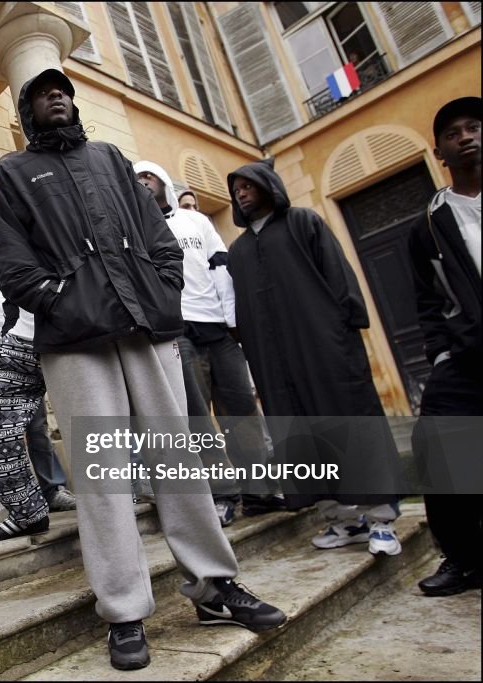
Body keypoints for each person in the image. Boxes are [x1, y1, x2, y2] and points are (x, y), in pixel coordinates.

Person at [0, 68, 286, 672]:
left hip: (147, 326)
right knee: (103, 475)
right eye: (45, 93)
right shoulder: (12, 173)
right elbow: (12, 263)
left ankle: (213, 585)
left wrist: (166, 285)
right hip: (74, 340)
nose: (59, 97)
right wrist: (60, 299)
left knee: (176, 457)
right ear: (25, 113)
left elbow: (159, 237)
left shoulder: (109, 156)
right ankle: (124, 610)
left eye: (64, 91)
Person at [226, 158, 404, 556]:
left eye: (247, 185)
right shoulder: (237, 251)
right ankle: (342, 521)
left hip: (326, 351)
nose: (240, 193)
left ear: (268, 185)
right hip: (275, 365)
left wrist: (346, 331)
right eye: (235, 189)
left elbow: (339, 276)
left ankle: (380, 522)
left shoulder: (303, 223)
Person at [135, 161, 282, 526]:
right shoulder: (135, 230)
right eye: (136, 179)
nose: (143, 182)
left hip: (218, 329)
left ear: (164, 181)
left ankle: (260, 491)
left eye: (149, 175)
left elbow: (220, 266)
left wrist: (231, 320)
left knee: (242, 409)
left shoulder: (195, 221)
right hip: (176, 333)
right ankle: (222, 494)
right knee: (197, 419)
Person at [0, 201, 76, 536]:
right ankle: (28, 507)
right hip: (2, 342)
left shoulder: (16, 246)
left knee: (41, 425)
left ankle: (54, 490)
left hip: (53, 334)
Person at [409, 96, 481, 596]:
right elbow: (426, 302)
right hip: (467, 355)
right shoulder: (430, 223)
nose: (467, 137)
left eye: (475, 127)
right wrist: (440, 354)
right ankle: (463, 558)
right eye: (454, 133)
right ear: (440, 153)